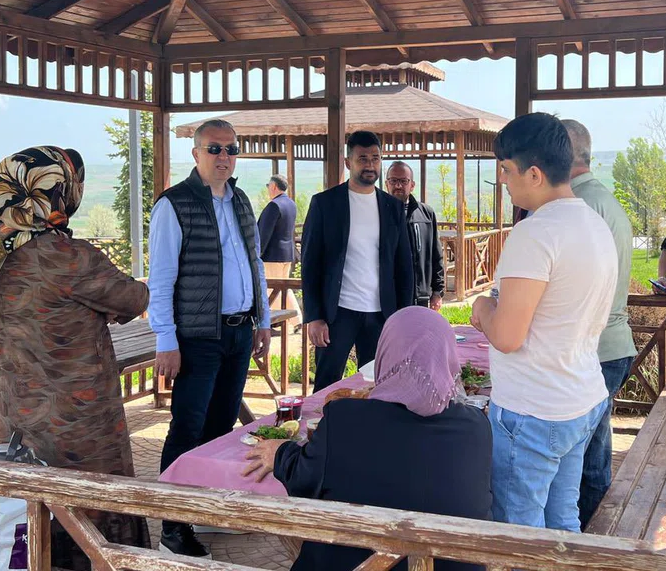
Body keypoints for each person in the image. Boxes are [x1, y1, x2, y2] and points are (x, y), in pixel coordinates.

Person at [0, 146, 151, 570]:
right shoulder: (67, 255)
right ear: (60, 190)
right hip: (80, 421)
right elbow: (133, 298)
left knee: (31, 507)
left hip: (17, 413)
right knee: (90, 508)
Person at [242, 306, 492, 571]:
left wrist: (280, 453)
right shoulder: (475, 428)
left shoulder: (344, 419)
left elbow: (304, 478)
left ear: (385, 353)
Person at [469, 113, 616, 533]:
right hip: (579, 396)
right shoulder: (594, 223)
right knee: (562, 519)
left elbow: (507, 336)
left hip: (533, 408)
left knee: (519, 532)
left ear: (534, 174)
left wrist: (482, 308)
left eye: (506, 170)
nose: (502, 180)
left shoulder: (535, 233)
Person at [149, 119, 272, 558]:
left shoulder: (241, 201)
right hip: (197, 336)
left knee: (220, 429)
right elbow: (161, 278)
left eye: (231, 149)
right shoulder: (174, 205)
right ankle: (172, 528)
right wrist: (166, 339)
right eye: (214, 149)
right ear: (196, 153)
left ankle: (205, 510)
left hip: (239, 331)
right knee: (187, 428)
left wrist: (263, 319)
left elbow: (254, 263)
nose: (224, 157)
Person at [560, 120, 636, 528]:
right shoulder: (603, 199)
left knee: (580, 463)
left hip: (593, 348)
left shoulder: (577, 206)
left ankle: (586, 537)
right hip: (611, 344)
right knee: (594, 450)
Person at [300, 130, 414, 390]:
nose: (370, 165)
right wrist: (314, 317)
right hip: (337, 313)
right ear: (348, 162)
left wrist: (402, 318)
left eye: (375, 158)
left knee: (378, 384)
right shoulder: (325, 204)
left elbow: (404, 267)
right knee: (327, 384)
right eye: (362, 159)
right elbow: (310, 264)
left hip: (381, 313)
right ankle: (323, 419)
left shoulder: (392, 207)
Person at [385, 161, 445, 310]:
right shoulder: (378, 215)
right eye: (393, 180)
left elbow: (436, 255)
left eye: (403, 181)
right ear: (386, 184)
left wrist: (437, 291)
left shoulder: (426, 214)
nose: (398, 185)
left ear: (412, 185)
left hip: (420, 297)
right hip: (388, 299)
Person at [258, 174, 298, 276]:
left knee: (272, 285)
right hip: (287, 255)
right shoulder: (292, 204)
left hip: (272, 256)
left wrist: (257, 253)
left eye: (268, 185)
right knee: (284, 284)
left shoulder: (274, 205)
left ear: (274, 186)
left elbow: (264, 232)